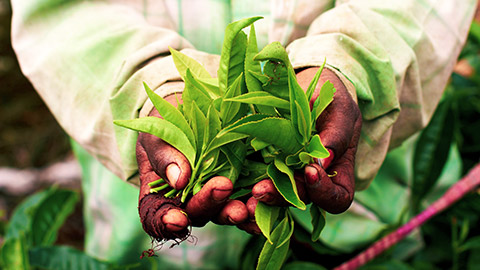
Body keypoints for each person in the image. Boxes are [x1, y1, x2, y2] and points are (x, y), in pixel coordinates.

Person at [11, 0, 476, 268]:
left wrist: (352, 67)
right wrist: (147, 91)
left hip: (372, 212)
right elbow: (63, 15)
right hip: (143, 226)